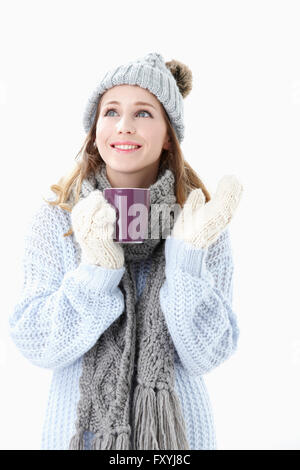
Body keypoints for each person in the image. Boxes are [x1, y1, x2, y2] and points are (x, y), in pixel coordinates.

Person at [8, 52, 243, 450]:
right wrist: (97, 271)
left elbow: (209, 354)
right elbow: (35, 343)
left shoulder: (201, 223)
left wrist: (185, 259)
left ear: (169, 134)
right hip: (79, 437)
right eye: (111, 111)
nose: (124, 126)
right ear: (95, 128)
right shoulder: (57, 220)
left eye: (144, 113)